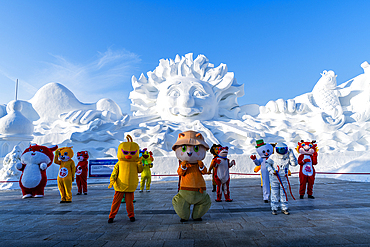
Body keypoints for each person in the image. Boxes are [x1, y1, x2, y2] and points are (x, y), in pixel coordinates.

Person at [265, 143, 297, 215]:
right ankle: (274, 208)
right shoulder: (273, 157)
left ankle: (284, 208)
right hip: (274, 178)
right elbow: (267, 164)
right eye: (280, 149)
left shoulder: (287, 156)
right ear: (276, 150)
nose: (282, 151)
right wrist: (271, 171)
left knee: (284, 194)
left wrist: (291, 155)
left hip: (283, 178)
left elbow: (294, 164)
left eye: (283, 149)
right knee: (274, 193)